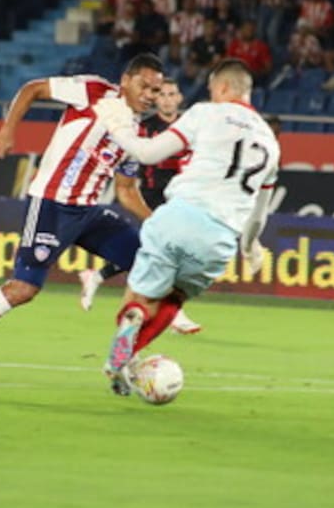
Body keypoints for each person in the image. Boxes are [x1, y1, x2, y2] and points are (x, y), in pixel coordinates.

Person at [0, 54, 165, 392]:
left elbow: (125, 191)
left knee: (149, 259)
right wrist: (7, 129)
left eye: (156, 89)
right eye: (145, 85)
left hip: (88, 212)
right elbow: (33, 89)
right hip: (51, 203)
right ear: (125, 80)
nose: (151, 94)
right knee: (23, 289)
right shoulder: (93, 91)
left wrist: (156, 224)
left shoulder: (137, 135)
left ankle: (122, 358)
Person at [92, 59, 281, 396]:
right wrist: (251, 247)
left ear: (222, 88)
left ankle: (132, 317)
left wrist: (116, 125)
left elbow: (147, 154)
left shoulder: (205, 113)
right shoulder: (271, 143)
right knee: (173, 300)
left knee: (140, 298)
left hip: (175, 217)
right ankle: (129, 354)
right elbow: (257, 217)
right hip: (220, 236)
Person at [78, 80, 203, 335]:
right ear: (156, 100)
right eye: (162, 94)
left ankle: (98, 277)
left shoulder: (190, 128)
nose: (167, 99)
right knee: (166, 254)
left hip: (179, 198)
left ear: (180, 98)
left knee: (150, 253)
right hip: (151, 196)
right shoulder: (144, 129)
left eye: (172, 94)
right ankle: (170, 314)